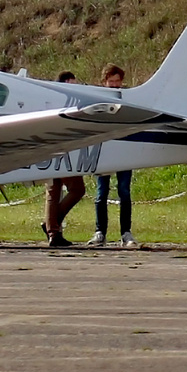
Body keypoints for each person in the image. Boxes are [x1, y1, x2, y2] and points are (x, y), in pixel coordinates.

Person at [92, 63, 135, 247]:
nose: (115, 85)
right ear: (105, 82)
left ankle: (126, 232)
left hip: (124, 151)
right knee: (101, 193)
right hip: (104, 151)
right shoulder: (97, 100)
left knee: (124, 192)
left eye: (118, 81)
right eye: (111, 82)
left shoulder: (129, 99)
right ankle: (100, 231)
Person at [43, 70, 86, 246]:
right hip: (64, 150)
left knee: (53, 192)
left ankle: (52, 231)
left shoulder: (49, 100)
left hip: (48, 147)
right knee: (77, 189)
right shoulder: (68, 102)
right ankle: (51, 225)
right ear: (66, 82)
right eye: (73, 83)